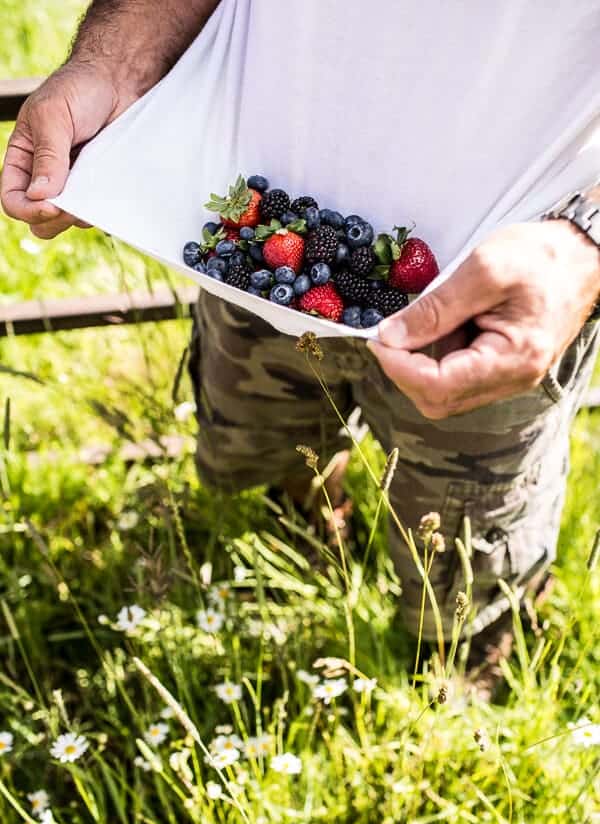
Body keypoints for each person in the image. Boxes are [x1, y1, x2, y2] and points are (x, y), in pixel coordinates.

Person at [3, 0, 600, 689]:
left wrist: (584, 236)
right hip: (257, 242)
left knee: (469, 554)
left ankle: (465, 662)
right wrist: (114, 60)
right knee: (273, 454)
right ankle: (310, 531)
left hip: (501, 272)